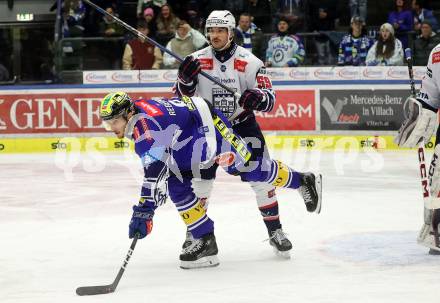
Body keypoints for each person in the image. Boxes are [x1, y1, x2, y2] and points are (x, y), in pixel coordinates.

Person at [99, 91, 322, 267]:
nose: (110, 128)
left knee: (250, 169)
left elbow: (153, 176)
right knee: (176, 184)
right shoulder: (135, 110)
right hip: (186, 135)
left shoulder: (145, 131)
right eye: (107, 123)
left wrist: (143, 211)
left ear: (128, 114)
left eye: (113, 122)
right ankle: (204, 238)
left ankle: (303, 180)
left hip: (209, 125)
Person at [175, 10, 321, 259]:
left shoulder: (250, 61)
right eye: (211, 30)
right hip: (207, 129)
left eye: (220, 30)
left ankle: (276, 230)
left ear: (231, 33)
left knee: (261, 179)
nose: (215, 35)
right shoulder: (195, 60)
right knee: (201, 183)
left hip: (241, 126)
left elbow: (270, 99)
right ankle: (197, 234)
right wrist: (185, 81)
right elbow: (179, 99)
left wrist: (258, 98)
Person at [394, 43, 440, 255]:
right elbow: (430, 95)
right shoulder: (437, 53)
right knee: (437, 180)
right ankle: (436, 231)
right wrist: (420, 112)